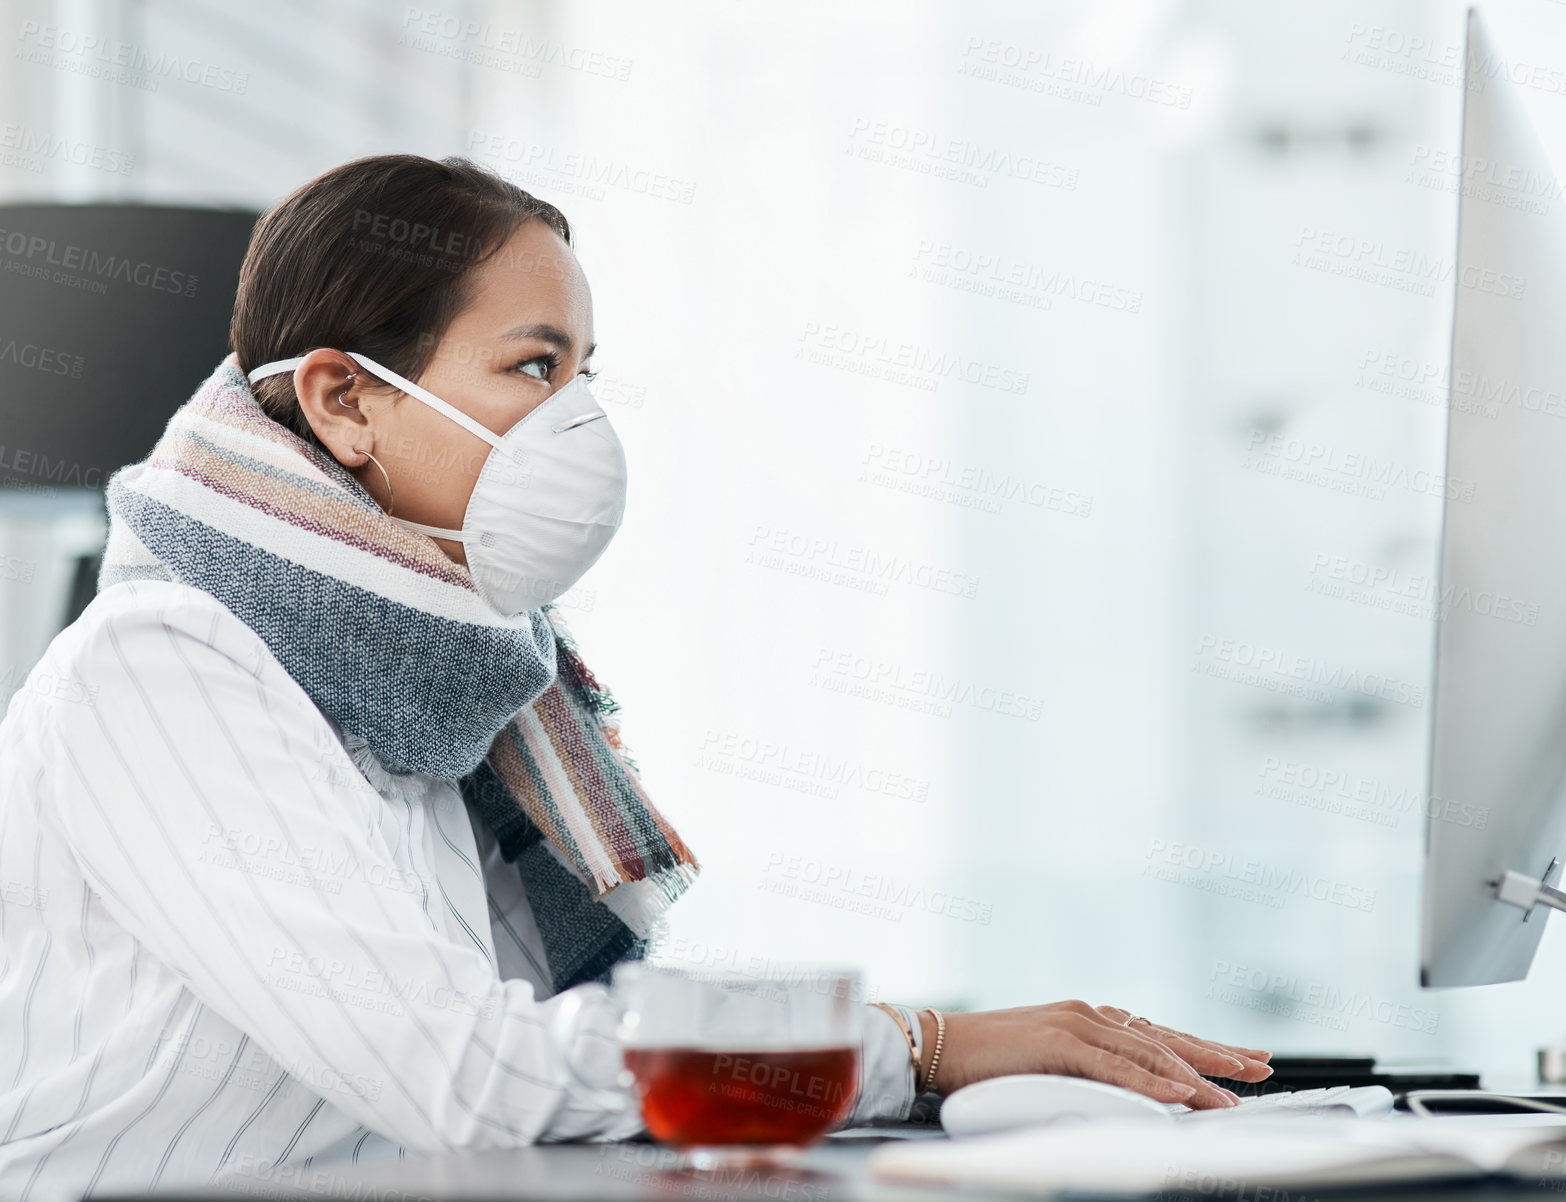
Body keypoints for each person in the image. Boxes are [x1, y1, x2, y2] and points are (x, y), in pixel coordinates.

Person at [0, 154, 1271, 1199]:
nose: (575, 420)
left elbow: (552, 1045)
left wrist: (929, 1047)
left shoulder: (422, 694)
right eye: (532, 367)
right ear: (343, 400)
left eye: (582, 374)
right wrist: (913, 1049)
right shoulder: (165, 665)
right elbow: (468, 1071)